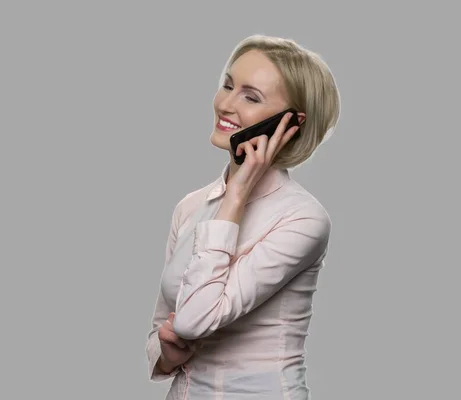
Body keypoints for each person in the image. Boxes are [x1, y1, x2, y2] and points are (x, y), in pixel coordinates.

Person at [145, 34, 341, 399]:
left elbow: (193, 321)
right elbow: (163, 327)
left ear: (290, 123)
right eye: (228, 85)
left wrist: (236, 194)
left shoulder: (303, 219)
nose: (225, 104)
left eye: (251, 97)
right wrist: (166, 353)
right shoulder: (190, 206)